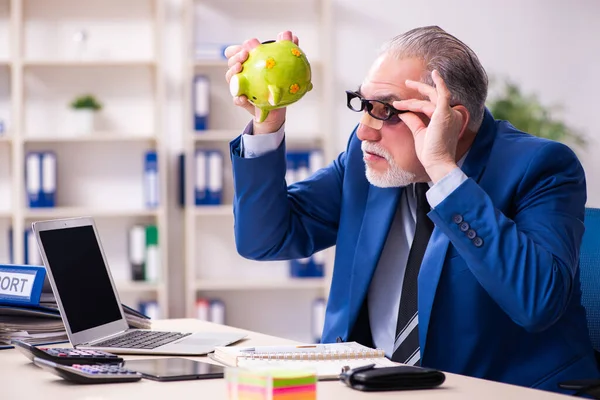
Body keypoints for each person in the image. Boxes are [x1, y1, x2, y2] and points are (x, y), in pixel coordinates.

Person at [223, 26, 599, 393]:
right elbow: (265, 240)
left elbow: (537, 302)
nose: (364, 131)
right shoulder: (367, 161)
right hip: (371, 385)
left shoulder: (541, 167)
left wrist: (443, 171)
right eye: (363, 104)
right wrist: (267, 123)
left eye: (385, 111)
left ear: (451, 120)